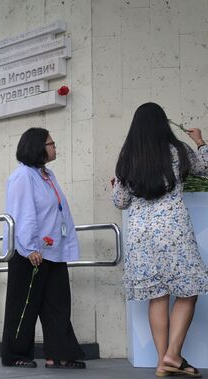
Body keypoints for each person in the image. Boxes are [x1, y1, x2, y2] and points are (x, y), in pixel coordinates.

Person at [112, 102, 208, 378]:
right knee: (187, 291)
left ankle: (161, 362)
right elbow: (206, 166)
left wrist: (116, 186)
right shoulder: (177, 150)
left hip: (141, 236)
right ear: (162, 123)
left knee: (157, 297)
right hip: (173, 229)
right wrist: (200, 141)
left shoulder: (127, 158)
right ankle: (173, 354)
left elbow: (120, 201)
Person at [1, 128, 85, 369]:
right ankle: (15, 354)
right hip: (31, 253)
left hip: (52, 251)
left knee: (58, 304)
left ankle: (59, 354)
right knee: (24, 305)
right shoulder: (23, 176)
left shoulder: (46, 174)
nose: (55, 146)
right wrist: (29, 248)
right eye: (51, 143)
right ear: (37, 147)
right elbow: (22, 213)